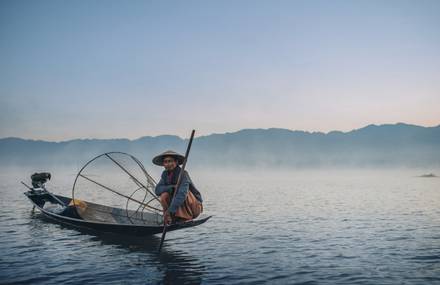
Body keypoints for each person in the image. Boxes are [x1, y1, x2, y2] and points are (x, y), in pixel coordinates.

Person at [153, 150, 203, 225]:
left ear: (176, 162)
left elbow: (182, 194)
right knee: (164, 196)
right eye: (165, 162)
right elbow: (157, 190)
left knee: (179, 192)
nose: (167, 164)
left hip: (194, 207)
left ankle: (182, 217)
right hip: (175, 209)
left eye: (170, 161)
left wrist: (170, 211)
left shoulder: (183, 174)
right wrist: (171, 188)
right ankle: (171, 218)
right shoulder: (165, 174)